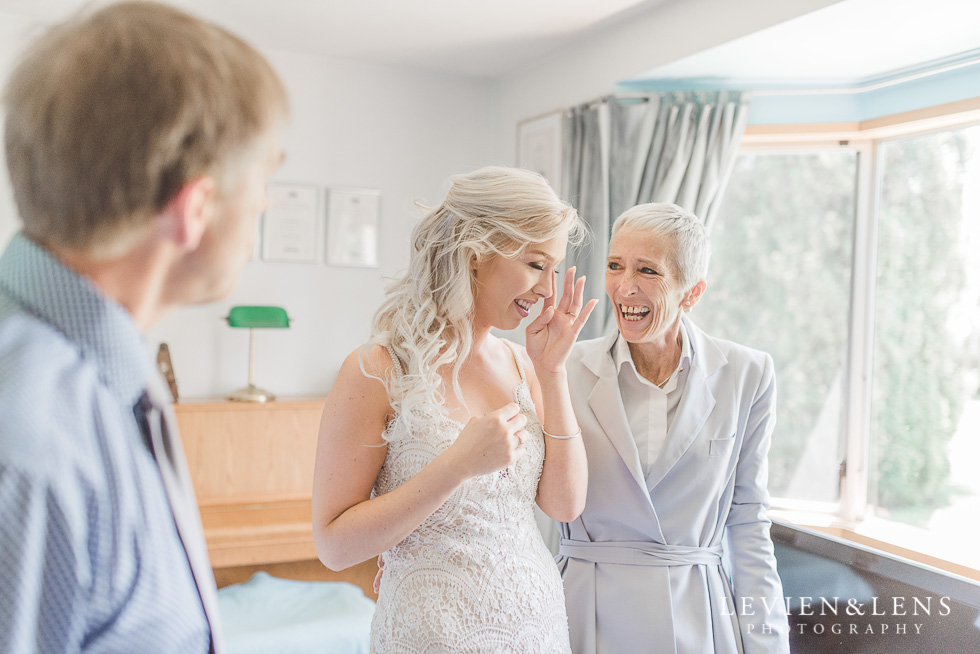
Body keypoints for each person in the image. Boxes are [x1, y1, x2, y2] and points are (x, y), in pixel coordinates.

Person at [0, 3, 287, 652]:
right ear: (197, 208)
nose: (265, 205)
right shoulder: (30, 446)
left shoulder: (105, 379)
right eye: (263, 182)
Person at [312, 166, 598, 653]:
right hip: (433, 637)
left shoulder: (522, 364)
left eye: (554, 269)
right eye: (535, 264)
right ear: (474, 256)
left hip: (538, 630)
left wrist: (551, 373)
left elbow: (565, 506)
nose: (549, 290)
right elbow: (335, 546)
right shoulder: (378, 369)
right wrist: (456, 466)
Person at [559, 203, 790, 653]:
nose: (625, 287)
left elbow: (747, 522)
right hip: (584, 616)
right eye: (614, 265)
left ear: (692, 292)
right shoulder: (562, 369)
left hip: (697, 619)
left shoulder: (748, 374)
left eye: (648, 270)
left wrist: (767, 645)